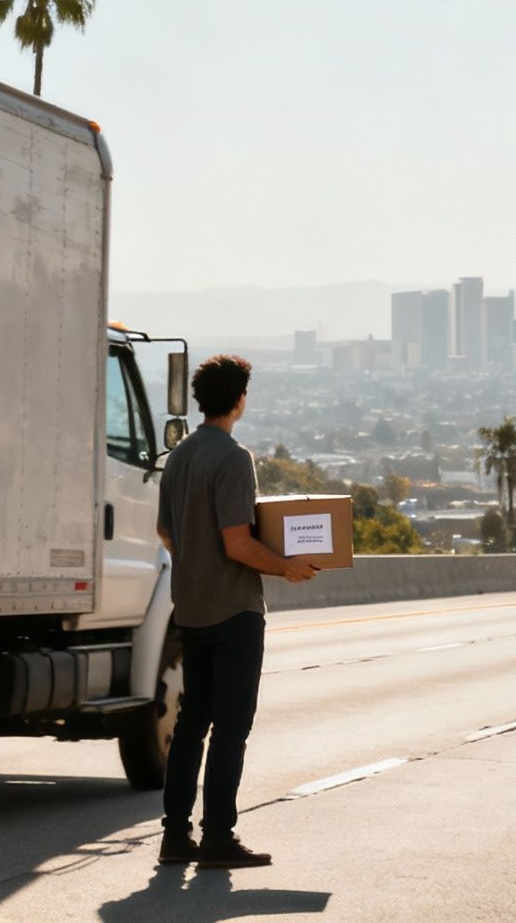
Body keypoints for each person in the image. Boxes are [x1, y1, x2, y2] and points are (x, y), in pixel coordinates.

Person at [156, 354, 319, 869]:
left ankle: (175, 836)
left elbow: (165, 532)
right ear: (240, 399)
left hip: (191, 607)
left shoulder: (179, 456)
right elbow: (237, 543)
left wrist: (195, 563)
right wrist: (286, 568)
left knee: (191, 723)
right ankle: (219, 838)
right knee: (231, 726)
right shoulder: (233, 457)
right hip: (234, 611)